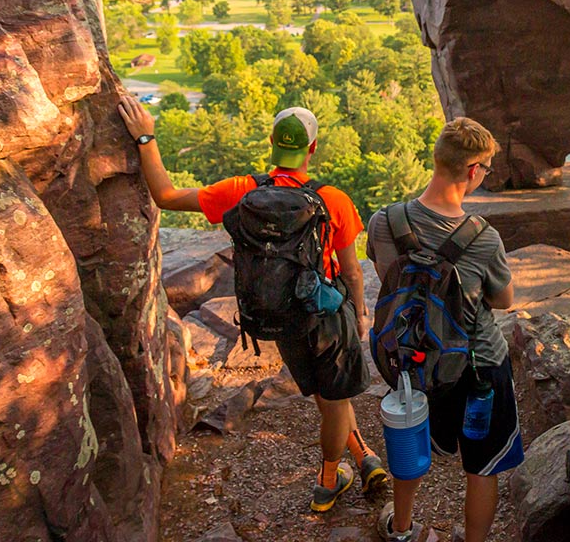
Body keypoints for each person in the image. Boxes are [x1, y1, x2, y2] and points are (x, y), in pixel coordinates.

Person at [116, 97, 387, 512]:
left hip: (277, 313)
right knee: (334, 398)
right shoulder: (333, 200)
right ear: (312, 149)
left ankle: (363, 455)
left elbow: (166, 196)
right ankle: (328, 481)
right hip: (327, 313)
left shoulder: (242, 191)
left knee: (325, 392)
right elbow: (351, 271)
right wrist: (361, 314)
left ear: (272, 144)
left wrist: (145, 137)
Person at [366, 117, 522, 542]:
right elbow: (505, 299)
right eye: (486, 169)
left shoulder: (385, 222)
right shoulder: (483, 237)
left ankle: (402, 529)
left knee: (409, 442)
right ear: (473, 171)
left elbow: (389, 278)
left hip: (414, 361)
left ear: (437, 159)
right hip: (478, 364)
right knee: (482, 464)